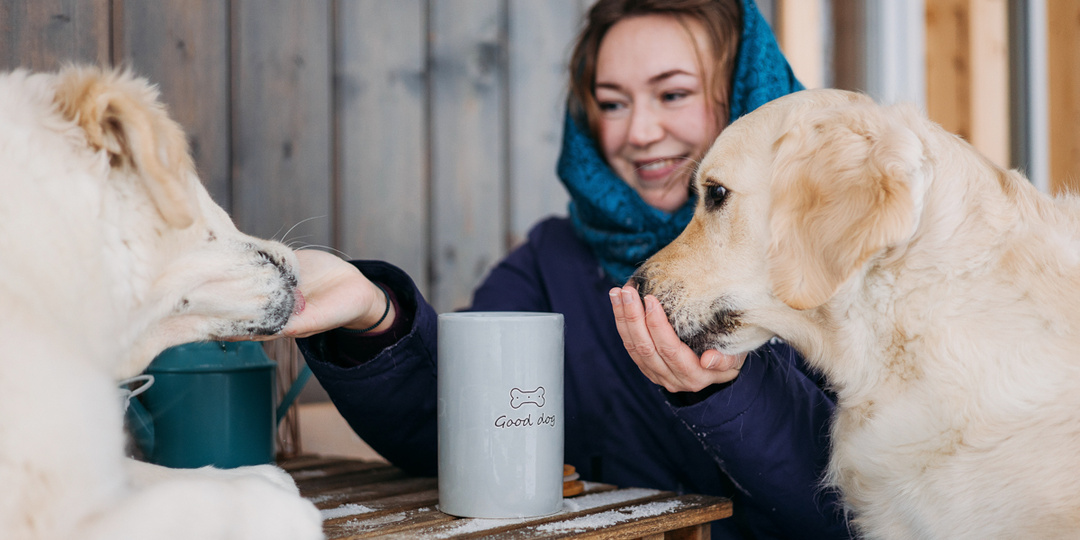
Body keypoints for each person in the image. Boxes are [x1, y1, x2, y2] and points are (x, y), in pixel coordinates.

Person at [274, 1, 850, 538]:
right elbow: (447, 423)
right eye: (612, 103)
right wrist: (375, 316)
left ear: (750, 94)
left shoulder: (837, 256)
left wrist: (729, 391)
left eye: (673, 94)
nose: (639, 132)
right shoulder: (552, 263)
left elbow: (851, 509)